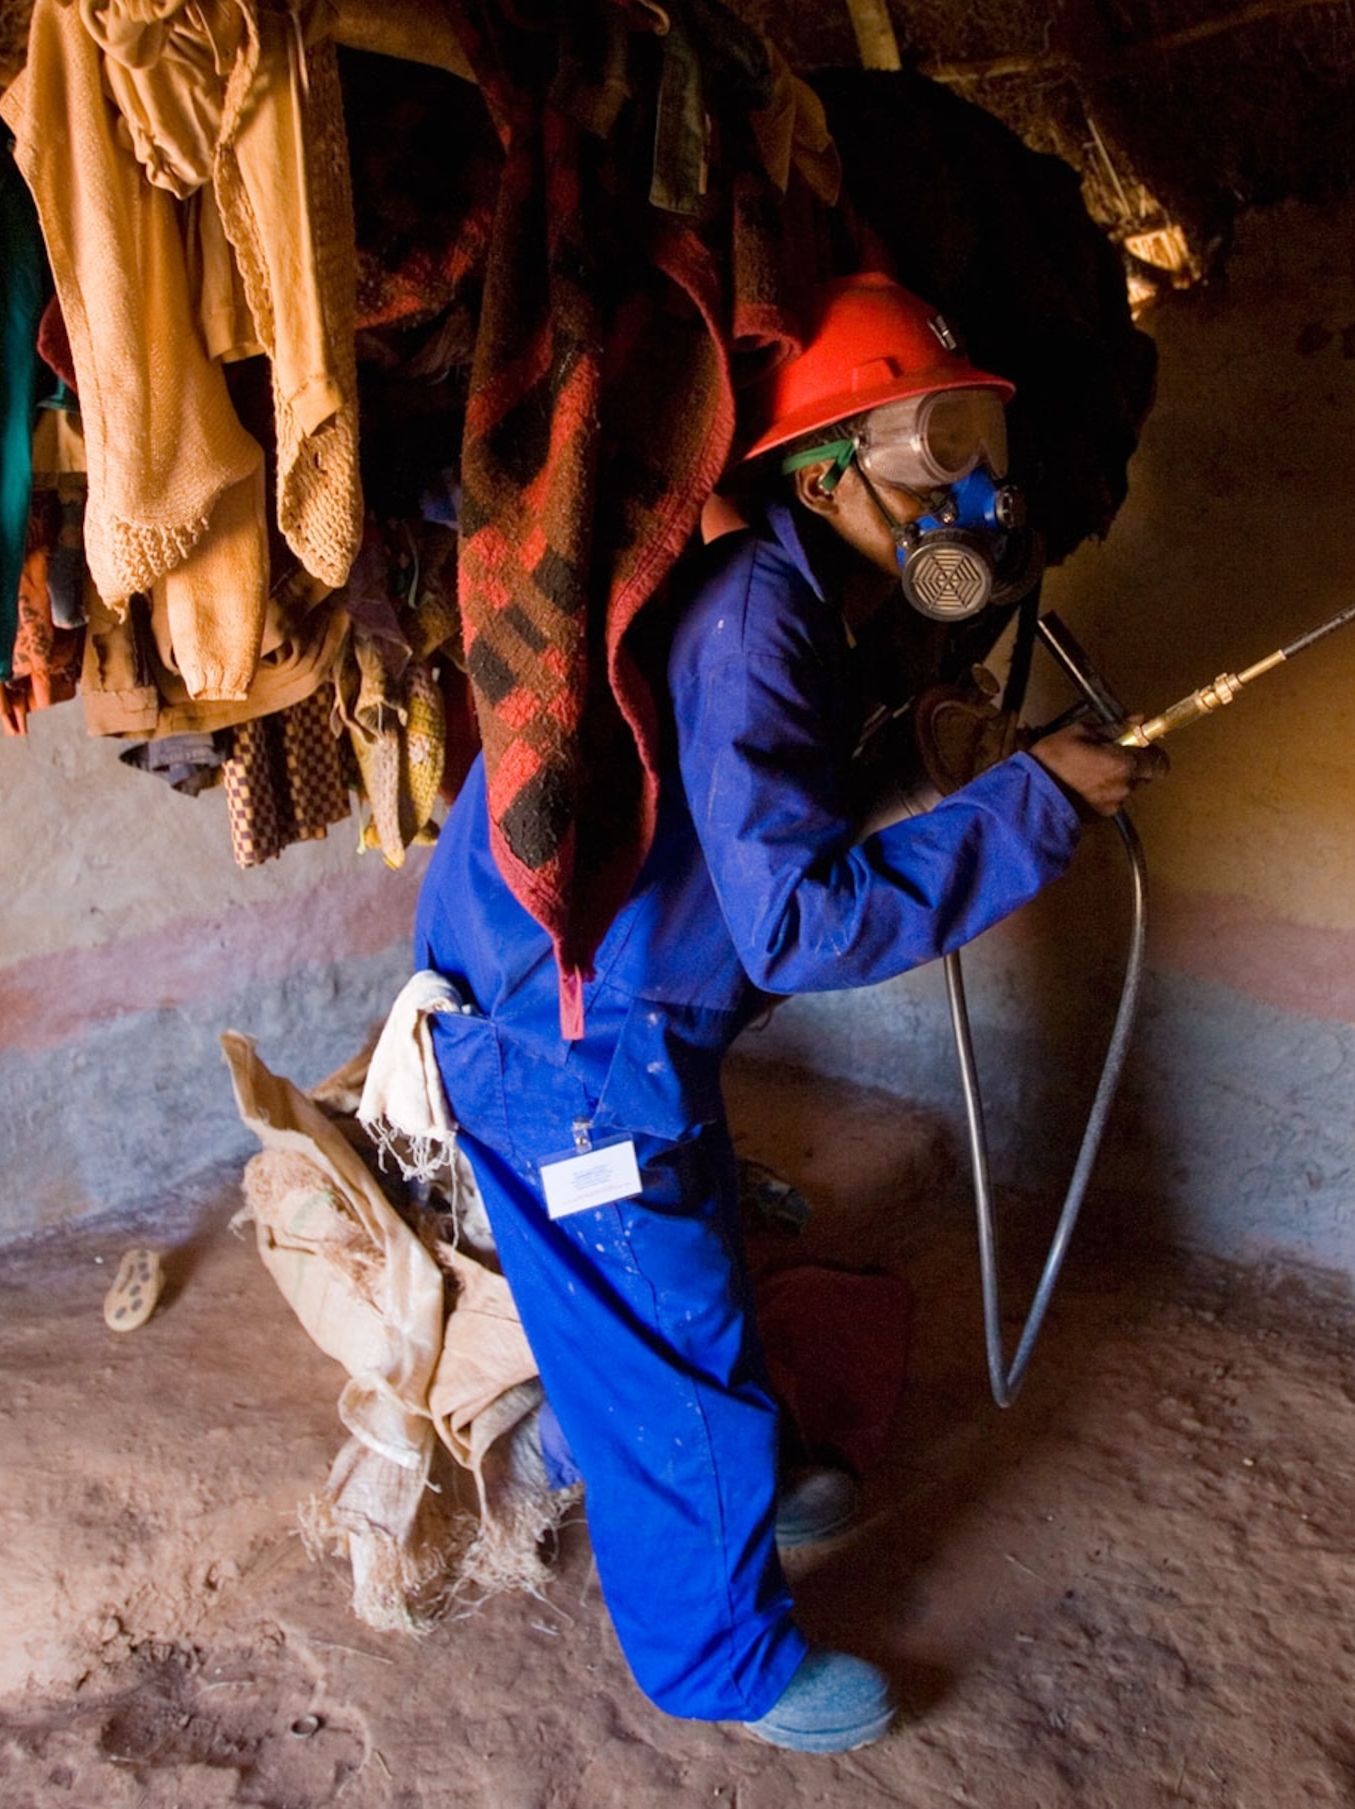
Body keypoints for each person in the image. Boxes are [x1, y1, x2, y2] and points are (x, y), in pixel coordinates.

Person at [411, 272, 1163, 1753]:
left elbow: (756, 827)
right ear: (823, 469)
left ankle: (585, 1438)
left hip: (560, 1007)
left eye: (969, 445)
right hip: (576, 1038)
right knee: (679, 1335)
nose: (964, 489)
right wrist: (1027, 810)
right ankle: (720, 1664)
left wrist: (959, 776)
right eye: (927, 448)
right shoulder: (762, 613)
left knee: (631, 1286)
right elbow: (798, 918)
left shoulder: (779, 582)